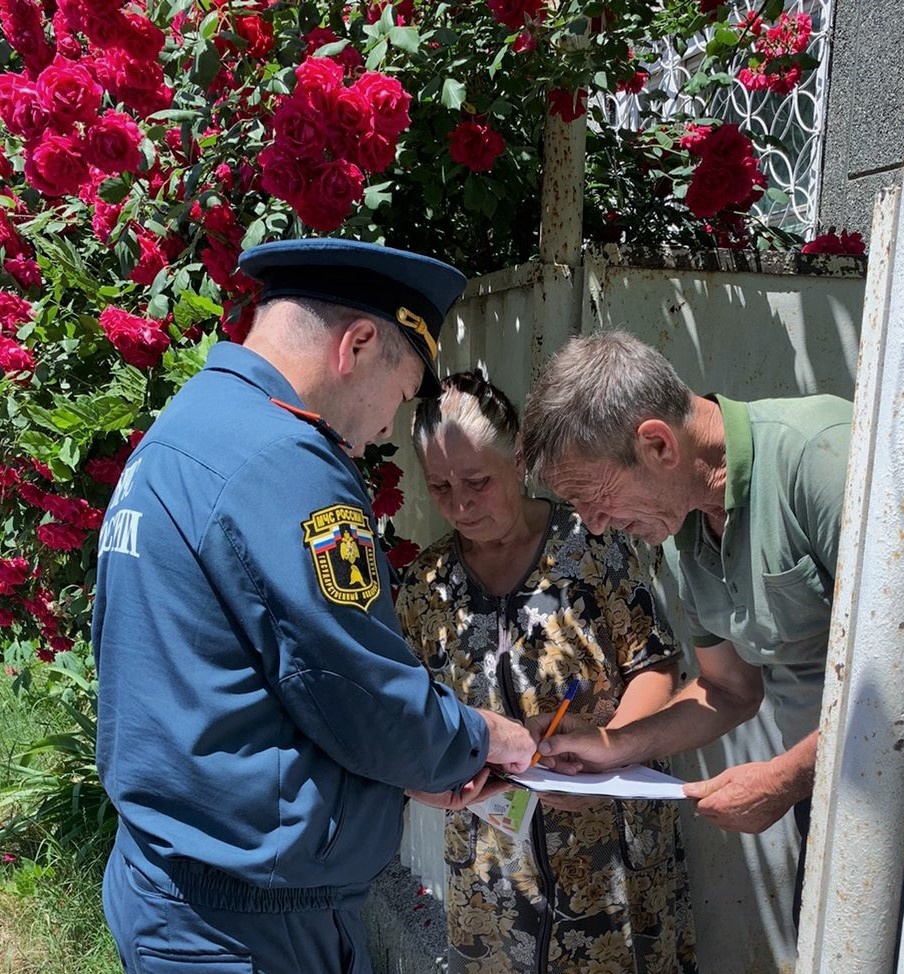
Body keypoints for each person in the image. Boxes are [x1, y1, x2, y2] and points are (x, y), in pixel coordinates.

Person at [92, 239, 536, 974]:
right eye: (400, 393)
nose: (387, 429)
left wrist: (405, 767)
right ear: (355, 345)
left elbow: (243, 674)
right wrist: (477, 737)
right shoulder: (285, 462)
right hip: (249, 926)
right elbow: (359, 691)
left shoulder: (189, 425)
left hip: (179, 888)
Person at [520, 330, 852, 927]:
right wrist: (610, 749)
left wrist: (783, 777)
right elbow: (728, 688)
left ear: (658, 444)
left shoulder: (822, 457)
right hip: (829, 796)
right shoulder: (685, 525)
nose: (595, 526)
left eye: (595, 497)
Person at [396, 370, 698, 974]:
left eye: (478, 482)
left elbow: (657, 667)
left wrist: (607, 752)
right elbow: (406, 713)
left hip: (611, 852)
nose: (461, 505)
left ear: (517, 461)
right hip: (492, 874)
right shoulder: (427, 586)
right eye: (440, 487)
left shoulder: (592, 545)